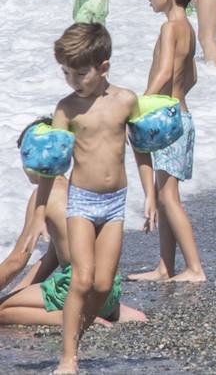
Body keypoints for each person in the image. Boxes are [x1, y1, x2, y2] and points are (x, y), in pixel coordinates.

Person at [36, 23, 155, 375]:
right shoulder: (66, 109)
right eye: (67, 73)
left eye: (80, 73)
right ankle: (68, 357)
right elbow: (51, 165)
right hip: (82, 202)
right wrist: (42, 209)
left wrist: (150, 195)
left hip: (116, 201)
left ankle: (76, 334)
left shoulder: (126, 101)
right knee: (82, 279)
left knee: (103, 285)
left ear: (104, 67)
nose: (73, 80)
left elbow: (142, 150)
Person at [0, 125, 147, 327]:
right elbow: (53, 257)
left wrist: (8, 299)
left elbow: (18, 259)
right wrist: (19, 291)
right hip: (109, 288)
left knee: (3, 311)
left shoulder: (45, 196)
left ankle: (78, 317)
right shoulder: (77, 187)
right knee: (12, 301)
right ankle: (112, 311)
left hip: (77, 286)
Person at [127, 0, 205, 283]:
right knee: (164, 194)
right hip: (180, 117)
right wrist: (177, 95)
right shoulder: (188, 27)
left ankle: (195, 268)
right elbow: (193, 77)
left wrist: (140, 103)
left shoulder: (169, 27)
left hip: (168, 122)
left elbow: (163, 71)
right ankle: (165, 267)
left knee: (168, 198)